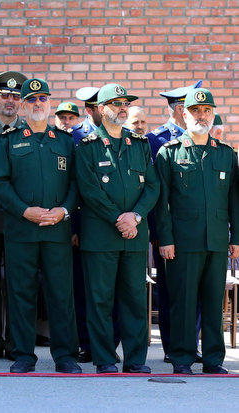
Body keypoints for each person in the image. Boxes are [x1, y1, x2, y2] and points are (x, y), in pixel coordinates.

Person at [0, 78, 81, 374]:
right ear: (22, 104)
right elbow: (0, 183)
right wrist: (24, 211)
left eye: (43, 98)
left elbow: (75, 185)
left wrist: (64, 211)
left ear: (50, 103)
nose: (38, 104)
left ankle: (66, 355)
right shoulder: (8, 139)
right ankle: (23, 355)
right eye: (31, 99)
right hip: (21, 231)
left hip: (57, 230)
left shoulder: (65, 141)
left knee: (60, 293)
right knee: (21, 293)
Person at [75, 83, 159, 374]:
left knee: (135, 299)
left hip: (134, 236)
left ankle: (135, 360)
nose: (123, 108)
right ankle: (105, 359)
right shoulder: (87, 147)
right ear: (101, 109)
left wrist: (134, 217)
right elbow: (90, 190)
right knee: (100, 301)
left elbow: (152, 186)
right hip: (101, 237)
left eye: (125, 104)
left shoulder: (140, 144)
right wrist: (119, 218)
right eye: (116, 103)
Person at [155, 88, 239, 375]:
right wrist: (164, 239)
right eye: (194, 111)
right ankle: (181, 358)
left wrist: (236, 239)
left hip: (216, 241)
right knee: (183, 302)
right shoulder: (169, 152)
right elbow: (161, 201)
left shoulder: (227, 154)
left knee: (215, 302)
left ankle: (214, 359)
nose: (201, 116)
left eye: (206, 111)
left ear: (212, 114)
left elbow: (234, 201)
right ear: (184, 114)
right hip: (182, 242)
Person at [146, 80, 203, 363]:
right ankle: (171, 346)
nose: (199, 114)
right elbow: (156, 192)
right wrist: (157, 233)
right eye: (192, 108)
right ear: (180, 109)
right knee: (171, 290)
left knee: (197, 291)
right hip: (168, 230)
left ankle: (191, 344)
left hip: (198, 230)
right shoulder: (156, 139)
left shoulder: (203, 136)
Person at [0, 71, 27, 361]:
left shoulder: (28, 128)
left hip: (18, 218)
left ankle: (15, 342)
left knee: (17, 283)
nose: (9, 100)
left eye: (15, 96)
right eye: (4, 95)